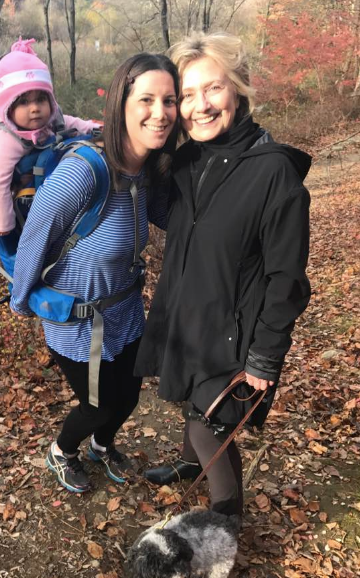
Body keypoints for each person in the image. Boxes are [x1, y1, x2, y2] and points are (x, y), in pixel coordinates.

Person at [136, 31, 312, 518]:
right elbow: (176, 216)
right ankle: (190, 466)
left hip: (234, 336)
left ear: (239, 88)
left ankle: (225, 524)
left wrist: (264, 358)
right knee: (191, 408)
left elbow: (287, 279)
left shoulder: (273, 174)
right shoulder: (190, 159)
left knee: (208, 424)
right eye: (187, 95)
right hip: (190, 316)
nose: (199, 106)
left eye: (213, 89)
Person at [10, 53, 179, 493]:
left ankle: (102, 448)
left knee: (129, 395)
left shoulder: (147, 171)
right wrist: (21, 298)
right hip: (79, 322)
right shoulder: (86, 170)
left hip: (124, 311)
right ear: (122, 103)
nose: (159, 113)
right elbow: (35, 235)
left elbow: (174, 217)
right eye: (147, 99)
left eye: (170, 100)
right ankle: (61, 451)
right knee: (97, 404)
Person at [0, 38, 99, 237]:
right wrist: (5, 223)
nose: (35, 108)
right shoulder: (6, 140)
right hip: (28, 210)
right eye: (23, 102)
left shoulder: (53, 120)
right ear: (9, 107)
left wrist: (96, 129)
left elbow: (76, 124)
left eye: (41, 99)